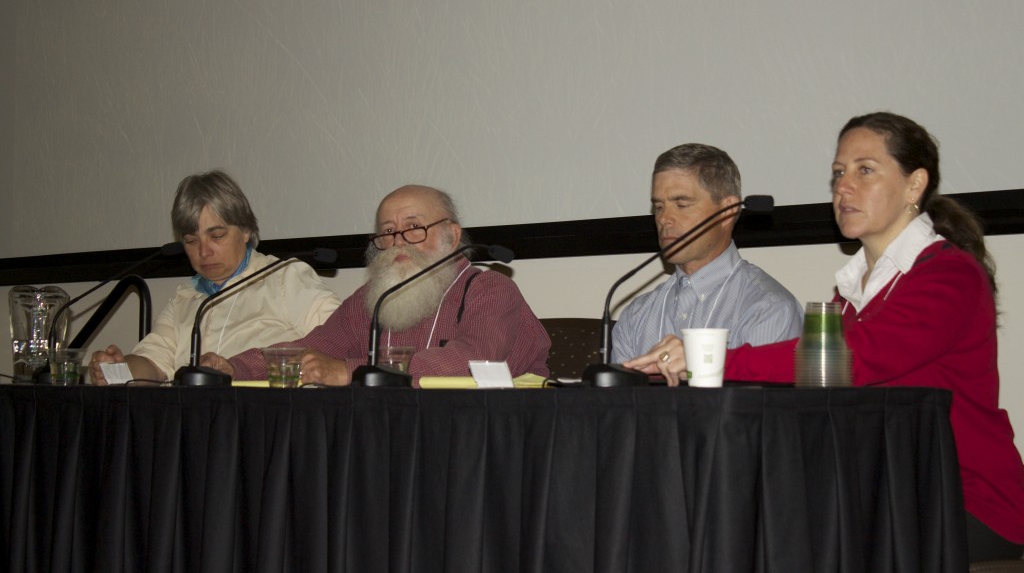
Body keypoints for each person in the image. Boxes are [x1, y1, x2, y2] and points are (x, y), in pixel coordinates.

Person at [625, 113, 1024, 561]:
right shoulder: (850, 294)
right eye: (838, 173)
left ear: (914, 186)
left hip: (964, 502)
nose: (843, 187)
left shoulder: (950, 276)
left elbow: (852, 360)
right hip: (883, 495)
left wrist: (706, 358)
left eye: (864, 170)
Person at [212, 184, 551, 386]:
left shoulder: (489, 289)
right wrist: (235, 367)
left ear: (452, 234)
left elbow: (472, 361)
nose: (399, 241)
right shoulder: (371, 300)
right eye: (388, 231)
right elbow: (316, 346)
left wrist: (350, 372)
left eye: (414, 226)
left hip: (482, 440)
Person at [88, 170, 341, 384]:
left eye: (216, 236)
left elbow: (344, 337)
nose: (204, 251)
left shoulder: (284, 278)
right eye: (190, 240)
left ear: (245, 230)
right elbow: (153, 363)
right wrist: (115, 370)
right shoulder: (184, 299)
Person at [612, 143, 803, 363]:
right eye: (659, 207)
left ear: (728, 210)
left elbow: (757, 398)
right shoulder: (636, 316)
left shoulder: (769, 310)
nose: (664, 219)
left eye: (681, 204)